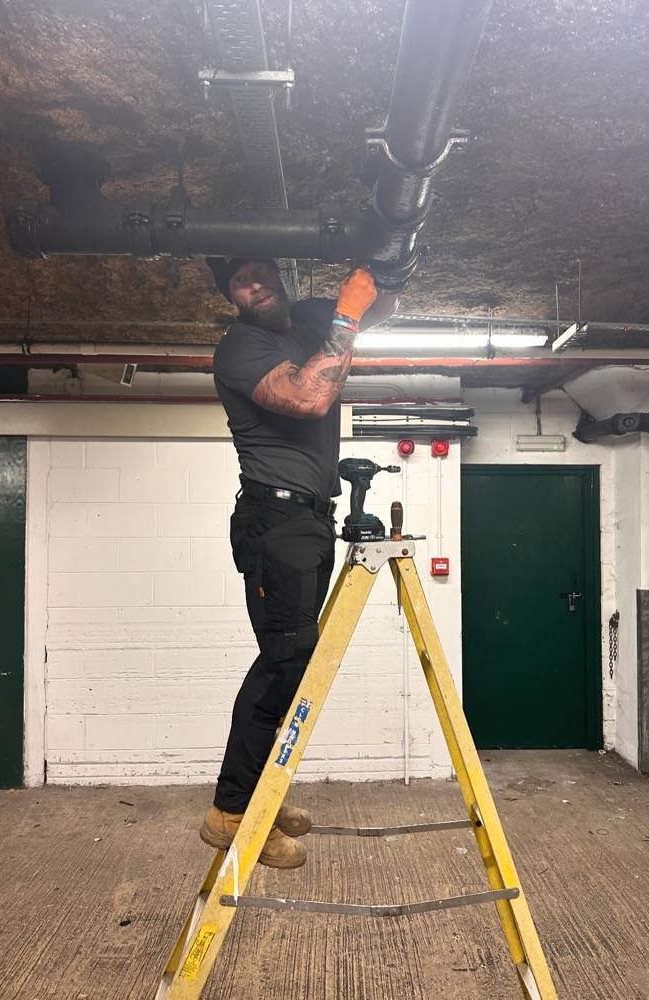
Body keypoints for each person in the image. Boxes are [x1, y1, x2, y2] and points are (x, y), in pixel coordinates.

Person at [201, 257, 399, 868]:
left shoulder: (310, 318)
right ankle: (229, 813)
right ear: (230, 295)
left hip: (311, 518)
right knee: (285, 659)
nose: (253, 284)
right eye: (238, 280)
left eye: (258, 271)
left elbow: (382, 306)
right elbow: (309, 397)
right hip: (274, 520)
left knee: (299, 660)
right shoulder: (241, 345)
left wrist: (379, 268)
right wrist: (346, 313)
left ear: (279, 272)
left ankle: (266, 789)